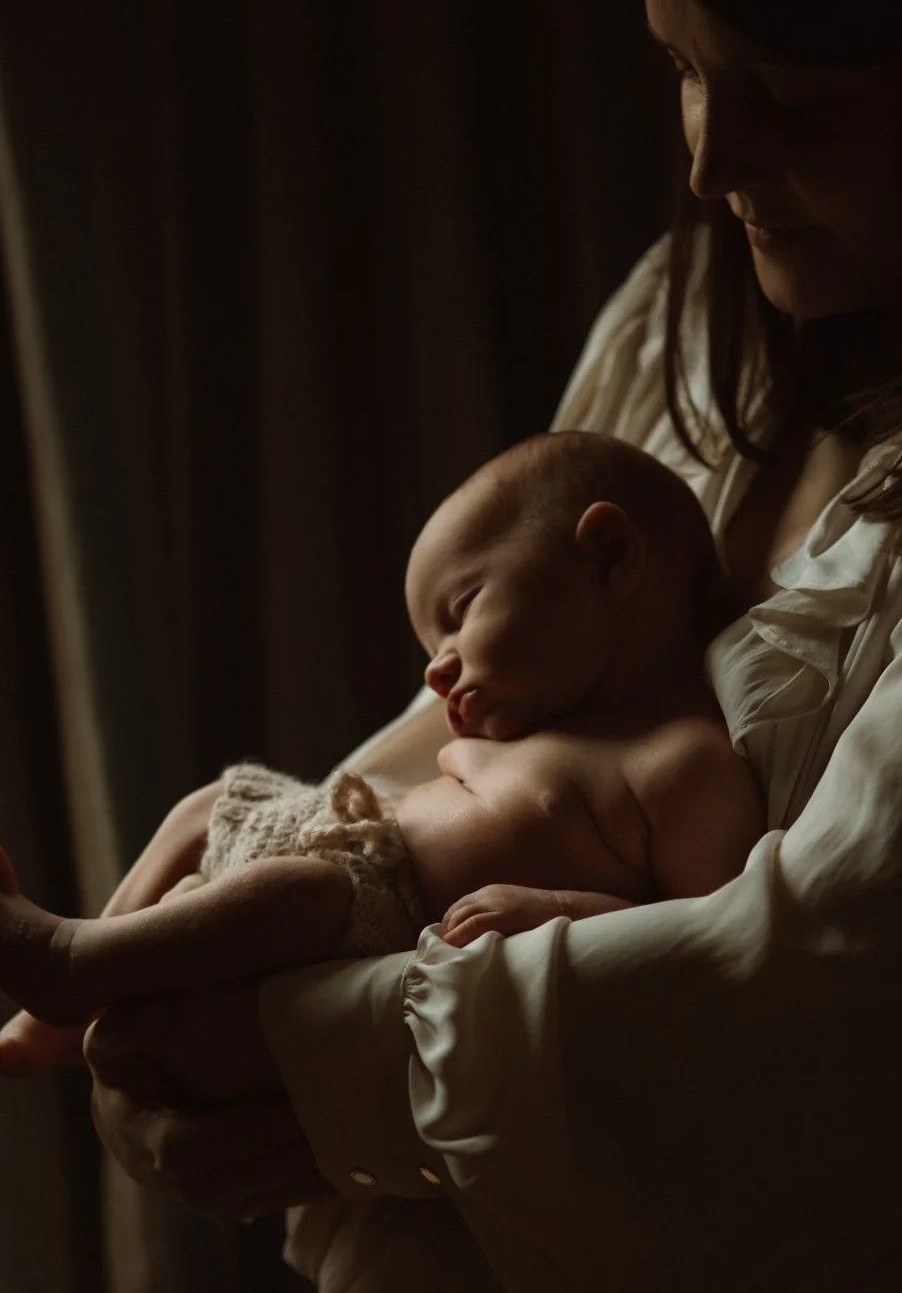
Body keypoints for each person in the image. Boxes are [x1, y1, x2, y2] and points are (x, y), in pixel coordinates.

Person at [5, 0, 902, 1287]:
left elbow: (827, 1031)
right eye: (681, 71)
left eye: (793, 98)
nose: (712, 162)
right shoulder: (684, 331)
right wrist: (175, 970)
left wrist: (299, 1056)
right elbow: (465, 750)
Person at [0, 430, 761, 1066]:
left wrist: (561, 912)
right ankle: (71, 1006)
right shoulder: (550, 719)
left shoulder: (683, 762)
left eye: (460, 612)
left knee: (297, 896)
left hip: (378, 917)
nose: (437, 667)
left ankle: (73, 964)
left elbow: (704, 941)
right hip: (339, 833)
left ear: (608, 557)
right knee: (211, 806)